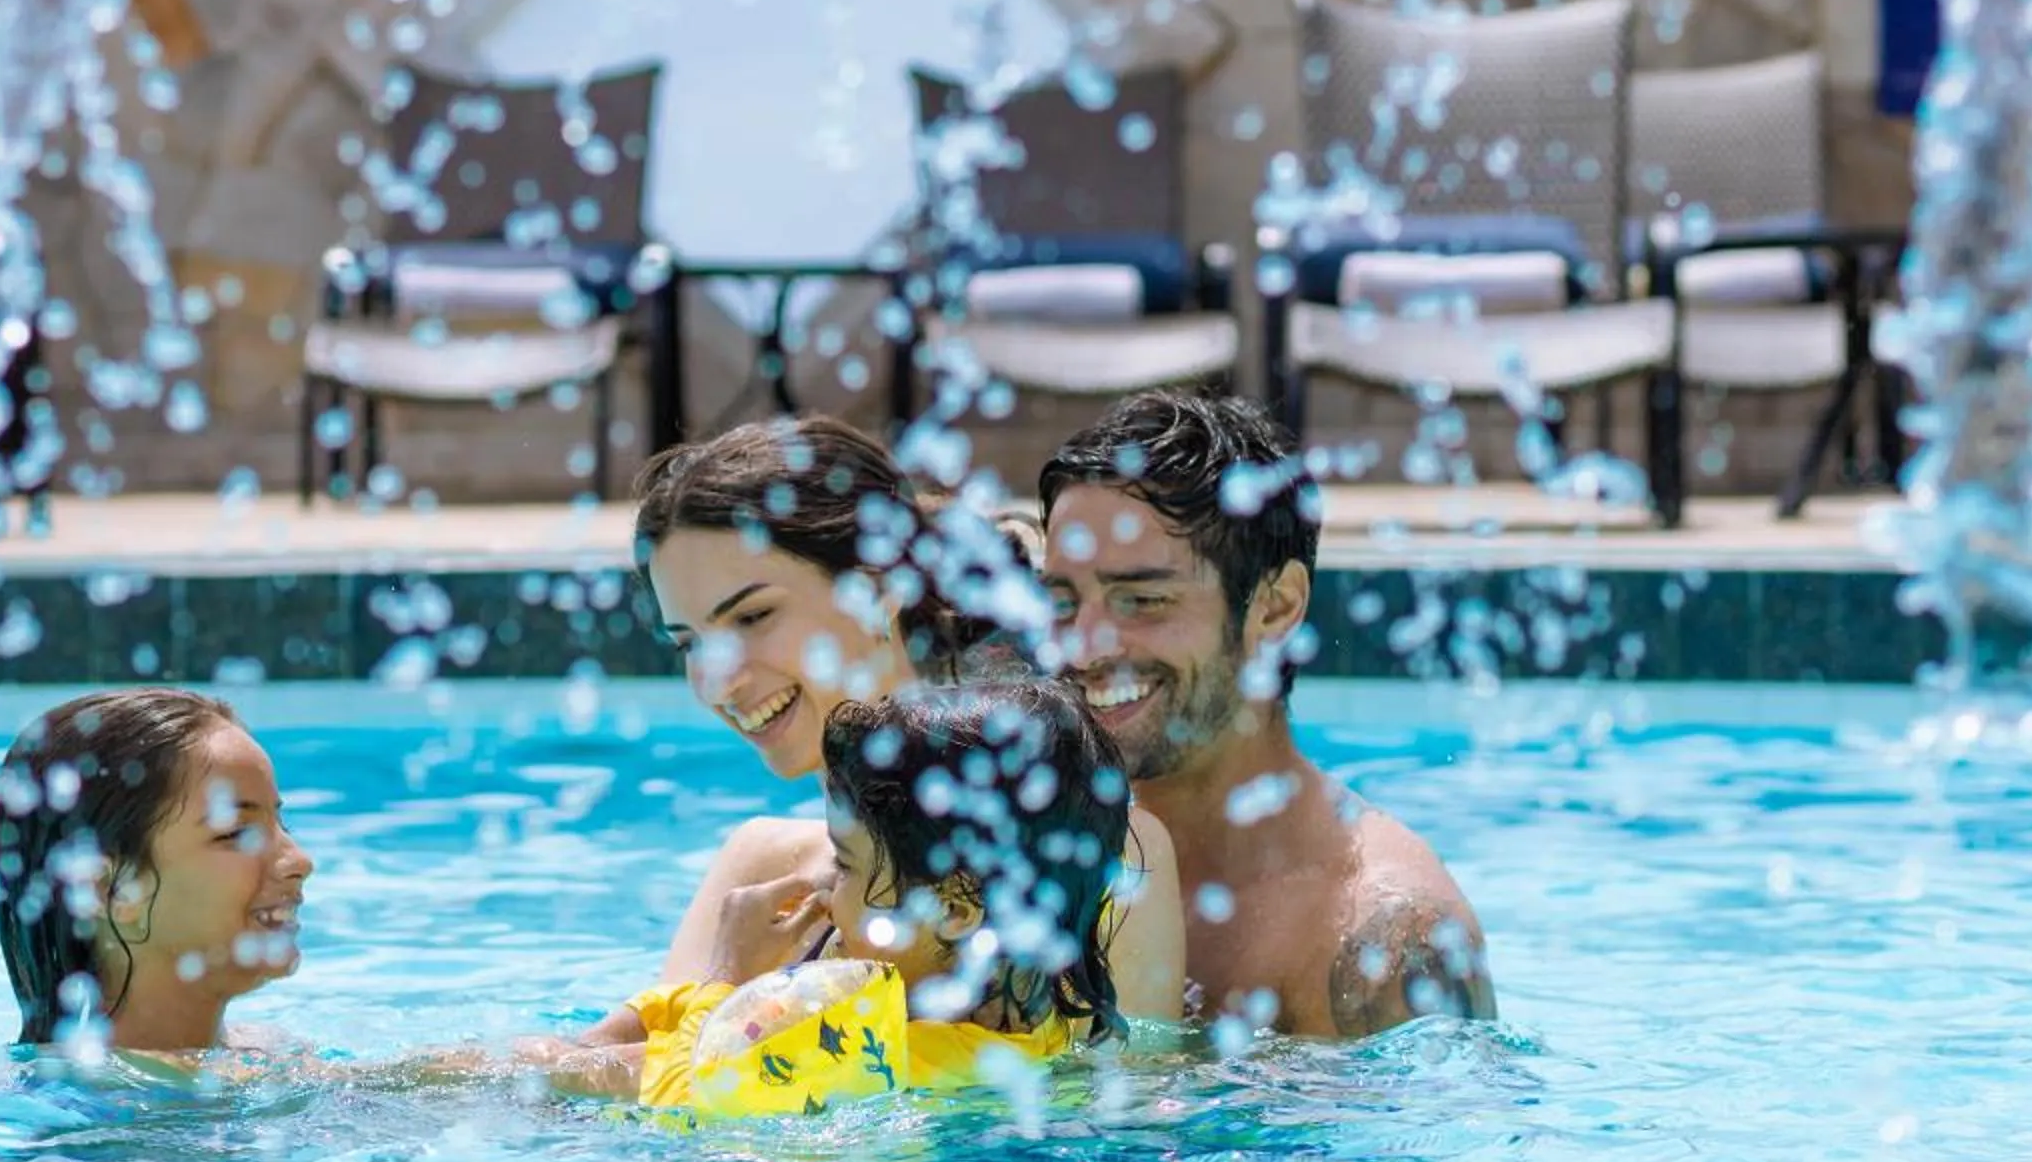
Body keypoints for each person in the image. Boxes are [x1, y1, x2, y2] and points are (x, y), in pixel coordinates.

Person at [634, 416, 1186, 1027]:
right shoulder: (759, 869)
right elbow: (618, 1071)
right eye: (688, 643)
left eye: (752, 617)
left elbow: (1131, 1087)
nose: (717, 681)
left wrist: (725, 991)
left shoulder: (1095, 858)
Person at [1037, 389, 1494, 1038]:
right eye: (1061, 602)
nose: (1083, 649)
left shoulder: (1380, 943)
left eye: (1142, 601)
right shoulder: (1034, 858)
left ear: (1276, 608)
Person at [556, 681, 1131, 1114]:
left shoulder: (894, 1057)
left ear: (954, 909)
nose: (827, 892)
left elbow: (690, 1097)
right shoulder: (1004, 1020)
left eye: (846, 866)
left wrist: (725, 976)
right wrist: (605, 1036)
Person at [0, 687, 314, 1056]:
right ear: (111, 888)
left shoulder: (266, 1051)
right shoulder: (90, 1089)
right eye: (236, 833)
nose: (300, 861)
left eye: (280, 823)